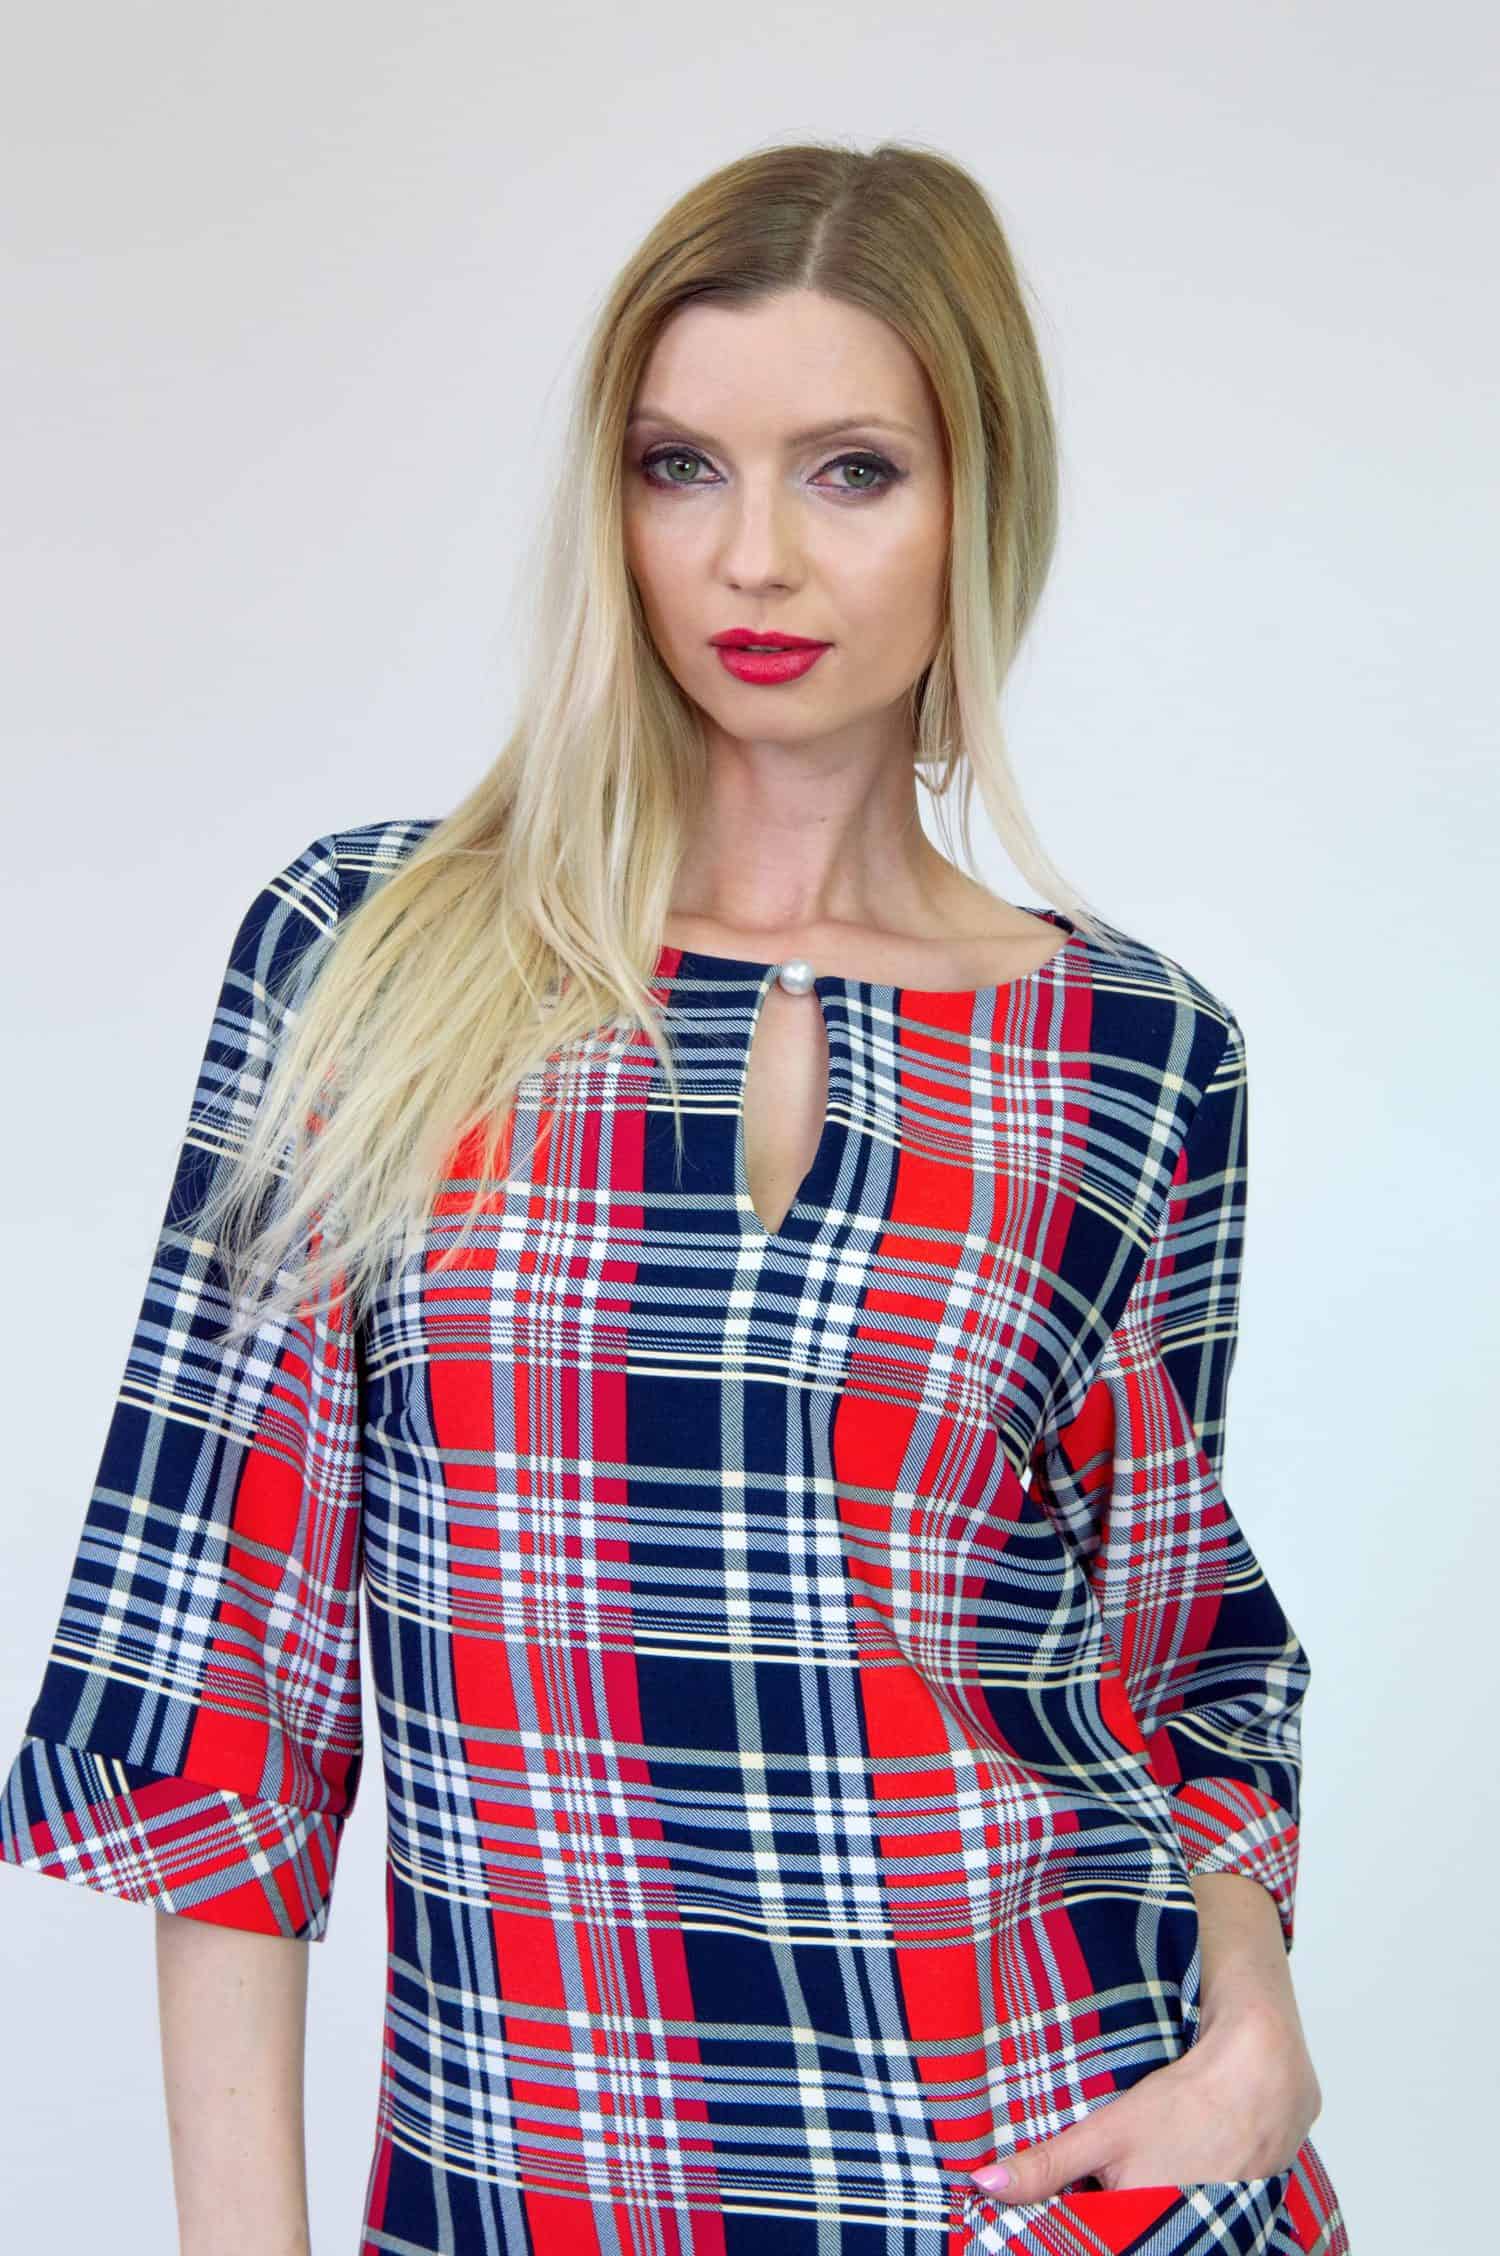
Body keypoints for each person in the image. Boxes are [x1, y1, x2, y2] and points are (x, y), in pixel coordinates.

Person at [0, 140, 1350, 2255]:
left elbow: (1179, 1662)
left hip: (1051, 2168)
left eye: (851, 472)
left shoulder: (1136, 1053)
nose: (755, 561)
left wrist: (1251, 2026)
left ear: (979, 496)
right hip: (538, 2189)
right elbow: (218, 1703)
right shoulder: (373, 958)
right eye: (680, 466)